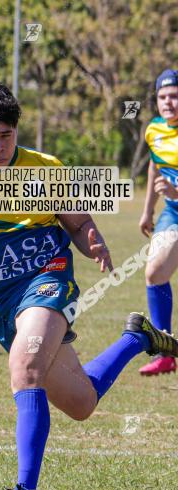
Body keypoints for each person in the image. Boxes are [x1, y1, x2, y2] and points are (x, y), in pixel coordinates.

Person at [0, 80, 178, 490]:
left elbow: (76, 223)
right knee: (81, 403)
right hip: (2, 304)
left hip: (48, 281)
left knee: (25, 366)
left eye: (6, 136)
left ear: (17, 131)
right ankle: (137, 339)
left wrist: (90, 239)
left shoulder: (44, 169)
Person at [138, 69, 178, 375]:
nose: (169, 102)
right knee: (154, 271)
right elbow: (155, 166)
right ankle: (166, 351)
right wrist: (147, 209)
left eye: (175, 96)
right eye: (163, 97)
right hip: (173, 213)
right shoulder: (154, 130)